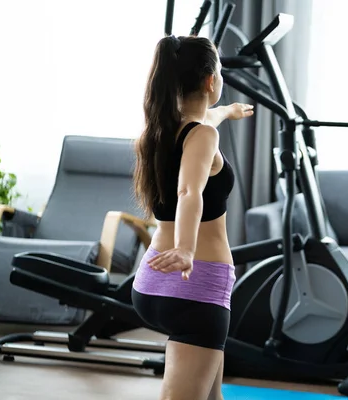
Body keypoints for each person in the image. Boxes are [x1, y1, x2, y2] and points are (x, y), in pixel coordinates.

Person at [131, 34, 254, 400]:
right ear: (210, 80)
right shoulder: (201, 136)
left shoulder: (159, 131)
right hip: (195, 285)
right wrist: (186, 247)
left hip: (152, 280)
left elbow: (206, 118)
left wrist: (229, 111)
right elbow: (189, 191)